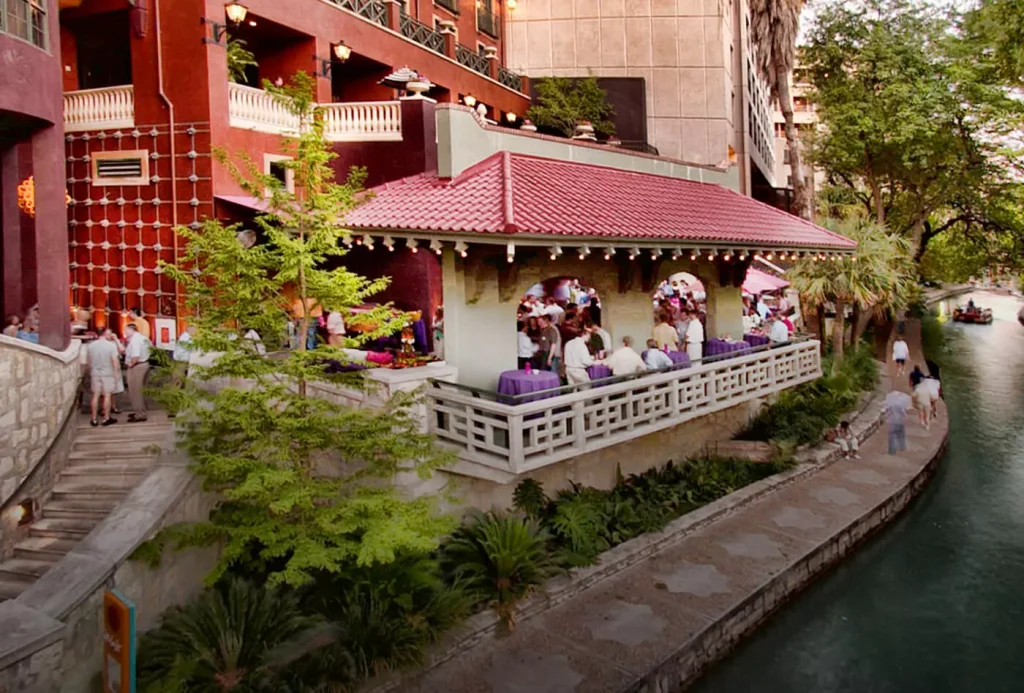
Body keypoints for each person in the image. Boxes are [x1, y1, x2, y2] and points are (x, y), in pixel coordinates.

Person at [87, 329, 121, 427]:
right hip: (108, 373)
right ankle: (106, 418)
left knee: (96, 395)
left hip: (95, 372)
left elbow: (89, 360)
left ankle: (93, 418)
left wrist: (90, 370)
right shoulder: (111, 346)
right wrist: (116, 373)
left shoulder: (91, 346)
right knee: (107, 395)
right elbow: (115, 361)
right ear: (105, 334)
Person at [124, 323, 152, 423]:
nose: (125, 333)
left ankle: (140, 414)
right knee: (141, 390)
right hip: (145, 364)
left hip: (137, 366)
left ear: (131, 330)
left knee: (135, 391)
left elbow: (135, 356)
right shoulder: (143, 338)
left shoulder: (135, 341)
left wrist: (130, 365)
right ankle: (140, 410)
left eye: (126, 330)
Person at [884, 389, 912, 454]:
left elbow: (886, 408)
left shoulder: (891, 403)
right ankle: (902, 446)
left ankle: (892, 450)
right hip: (901, 420)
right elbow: (906, 409)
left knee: (892, 435)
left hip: (893, 420)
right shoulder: (902, 403)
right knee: (901, 433)